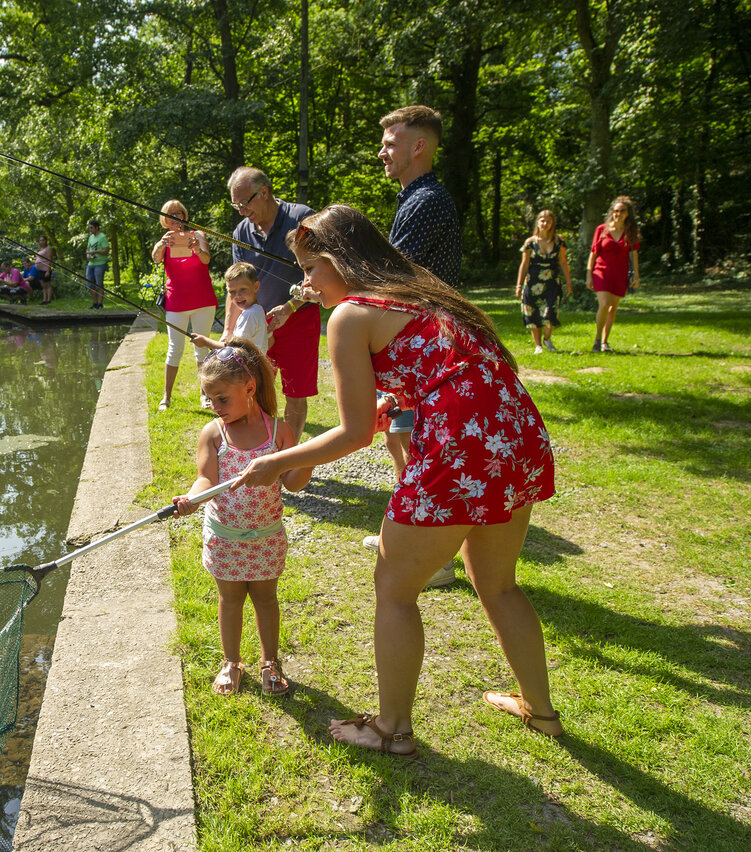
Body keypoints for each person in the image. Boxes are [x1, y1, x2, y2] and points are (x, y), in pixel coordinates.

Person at [234, 205, 562, 754]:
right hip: (513, 435)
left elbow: (353, 434)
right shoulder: (422, 293)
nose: (306, 282)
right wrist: (398, 401)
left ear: (340, 259)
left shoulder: (352, 315)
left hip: (460, 447)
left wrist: (274, 464)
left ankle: (391, 729)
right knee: (498, 583)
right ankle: (541, 712)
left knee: (394, 589)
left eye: (311, 268)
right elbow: (440, 370)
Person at [172, 338, 313, 696]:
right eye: (210, 398)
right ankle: (231, 661)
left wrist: (307, 455)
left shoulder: (277, 432)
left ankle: (270, 661)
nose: (214, 406)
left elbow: (294, 483)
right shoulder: (214, 434)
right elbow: (207, 478)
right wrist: (193, 496)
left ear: (249, 388)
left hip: (266, 536)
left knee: (266, 599)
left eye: (222, 398)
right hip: (225, 537)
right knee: (230, 600)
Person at [364, 104, 463, 586]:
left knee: (421, 442)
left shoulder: (427, 200)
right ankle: (411, 535)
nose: (382, 151)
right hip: (418, 338)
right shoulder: (413, 197)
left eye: (390, 142)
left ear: (418, 146)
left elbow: (393, 273)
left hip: (432, 341)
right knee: (399, 434)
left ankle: (437, 559)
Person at [227, 167, 317, 442]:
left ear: (264, 192)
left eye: (244, 203)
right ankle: (262, 448)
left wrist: (290, 308)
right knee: (252, 389)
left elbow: (319, 273)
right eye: (236, 205)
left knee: (295, 392)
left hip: (299, 318)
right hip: (257, 323)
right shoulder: (240, 232)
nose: (241, 210)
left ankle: (288, 456)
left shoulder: (301, 218)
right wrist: (229, 333)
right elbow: (234, 286)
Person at [151, 200, 217, 411]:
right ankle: (166, 397)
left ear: (185, 215)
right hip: (176, 301)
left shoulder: (198, 235)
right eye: (170, 214)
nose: (175, 217)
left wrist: (197, 248)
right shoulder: (164, 241)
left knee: (202, 349)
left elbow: (206, 260)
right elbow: (155, 259)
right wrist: (162, 245)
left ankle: (205, 396)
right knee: (174, 348)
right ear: (165, 219)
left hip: (202, 300)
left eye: (178, 213)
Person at [586, 196, 641, 352]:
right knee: (603, 304)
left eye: (622, 211)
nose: (618, 214)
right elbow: (593, 254)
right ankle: (597, 340)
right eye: (616, 210)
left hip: (620, 273)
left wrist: (636, 276)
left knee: (612, 308)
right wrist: (589, 275)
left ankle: (605, 341)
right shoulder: (601, 229)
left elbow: (634, 254)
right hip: (601, 271)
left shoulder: (630, 232)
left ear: (628, 213)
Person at [515, 209, 573, 354]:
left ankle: (547, 339)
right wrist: (519, 284)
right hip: (532, 282)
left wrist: (568, 281)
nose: (545, 223)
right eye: (542, 220)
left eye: (548, 221)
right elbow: (524, 264)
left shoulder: (559, 241)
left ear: (552, 223)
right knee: (532, 313)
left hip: (552, 282)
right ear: (538, 222)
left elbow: (563, 262)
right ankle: (538, 345)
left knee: (551, 312)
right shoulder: (530, 243)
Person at [190, 262, 272, 356]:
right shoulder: (258, 310)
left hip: (245, 369)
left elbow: (233, 349)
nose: (238, 295)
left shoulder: (249, 315)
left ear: (256, 286)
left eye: (243, 289)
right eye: (232, 291)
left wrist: (205, 341)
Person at [85, 220, 109, 309]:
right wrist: (88, 255)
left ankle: (100, 304)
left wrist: (95, 251)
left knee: (99, 284)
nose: (90, 229)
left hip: (100, 263)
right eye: (89, 228)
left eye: (91, 228)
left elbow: (106, 250)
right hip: (91, 263)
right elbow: (88, 249)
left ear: (97, 228)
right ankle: (94, 303)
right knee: (89, 284)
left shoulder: (102, 237)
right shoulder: (90, 237)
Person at [32, 235, 55, 305]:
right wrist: (35, 259)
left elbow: (49, 259)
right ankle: (44, 300)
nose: (41, 242)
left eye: (43, 240)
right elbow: (41, 259)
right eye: (40, 240)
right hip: (40, 270)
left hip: (46, 270)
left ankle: (48, 300)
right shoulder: (41, 249)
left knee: (47, 285)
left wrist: (48, 270)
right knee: (43, 285)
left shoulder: (48, 249)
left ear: (46, 241)